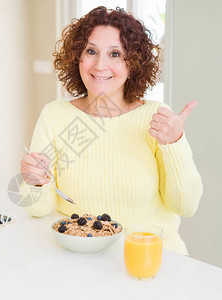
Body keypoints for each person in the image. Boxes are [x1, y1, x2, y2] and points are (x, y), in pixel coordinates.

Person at [19, 6, 202, 255]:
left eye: (115, 54)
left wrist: (175, 143)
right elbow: (37, 209)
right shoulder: (55, 115)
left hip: (151, 258)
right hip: (78, 257)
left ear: (133, 62)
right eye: (91, 51)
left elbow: (186, 206)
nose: (100, 65)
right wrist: (35, 181)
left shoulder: (156, 117)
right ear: (78, 57)